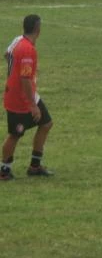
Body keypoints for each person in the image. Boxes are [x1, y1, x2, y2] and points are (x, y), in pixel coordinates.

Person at [1, 15, 54, 180]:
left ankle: (35, 166)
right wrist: (32, 105)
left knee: (46, 123)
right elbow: (24, 79)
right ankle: (4, 170)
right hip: (20, 99)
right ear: (38, 30)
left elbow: (6, 54)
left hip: (25, 94)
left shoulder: (18, 40)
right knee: (15, 134)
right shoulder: (27, 50)